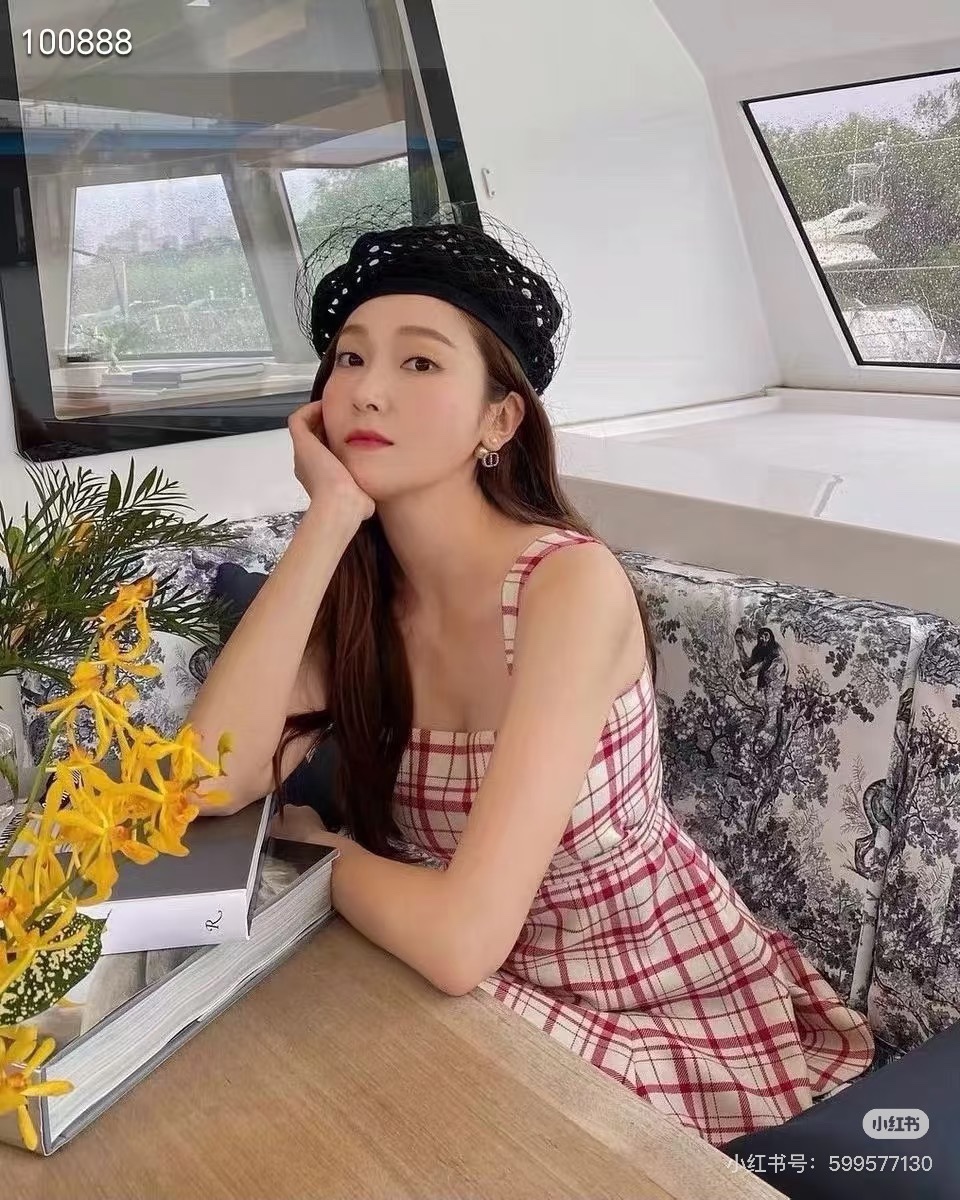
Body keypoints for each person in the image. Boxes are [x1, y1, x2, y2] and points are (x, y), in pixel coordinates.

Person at [186, 203, 873, 1146]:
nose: (368, 392)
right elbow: (205, 780)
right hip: (469, 980)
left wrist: (317, 851)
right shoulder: (357, 599)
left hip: (653, 999)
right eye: (349, 359)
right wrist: (328, 518)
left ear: (499, 418)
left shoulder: (566, 587)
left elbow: (460, 943)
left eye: (419, 363)